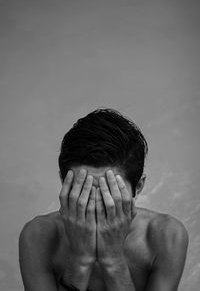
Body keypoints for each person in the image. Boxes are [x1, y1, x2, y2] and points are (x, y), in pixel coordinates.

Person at [19, 108, 189, 291]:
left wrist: (113, 260)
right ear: (64, 182)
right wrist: (80, 259)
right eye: (83, 190)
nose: (93, 207)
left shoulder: (165, 236)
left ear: (138, 187)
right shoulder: (38, 235)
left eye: (109, 193)